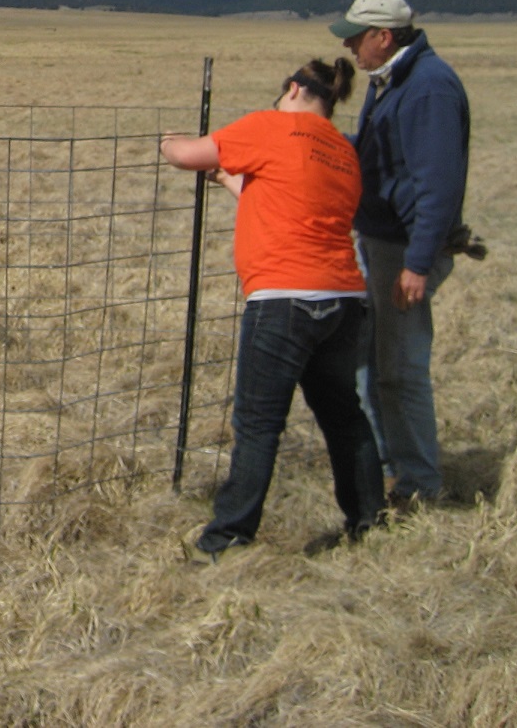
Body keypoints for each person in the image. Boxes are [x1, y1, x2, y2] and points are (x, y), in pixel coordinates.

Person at [162, 57, 385, 561]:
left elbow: (187, 155)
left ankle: (226, 540)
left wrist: (167, 142)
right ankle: (369, 519)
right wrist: (228, 181)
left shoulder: (270, 125)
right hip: (345, 300)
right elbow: (286, 198)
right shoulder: (342, 152)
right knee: (344, 416)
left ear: (290, 89)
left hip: (284, 300)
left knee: (259, 424)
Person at [331, 0, 470, 508]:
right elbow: (377, 157)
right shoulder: (391, 80)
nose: (348, 45)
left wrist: (416, 264)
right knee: (372, 364)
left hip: (403, 247)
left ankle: (419, 486)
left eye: (355, 35)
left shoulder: (428, 89)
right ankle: (394, 468)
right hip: (384, 240)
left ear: (383, 37)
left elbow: (437, 185)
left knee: (399, 368)